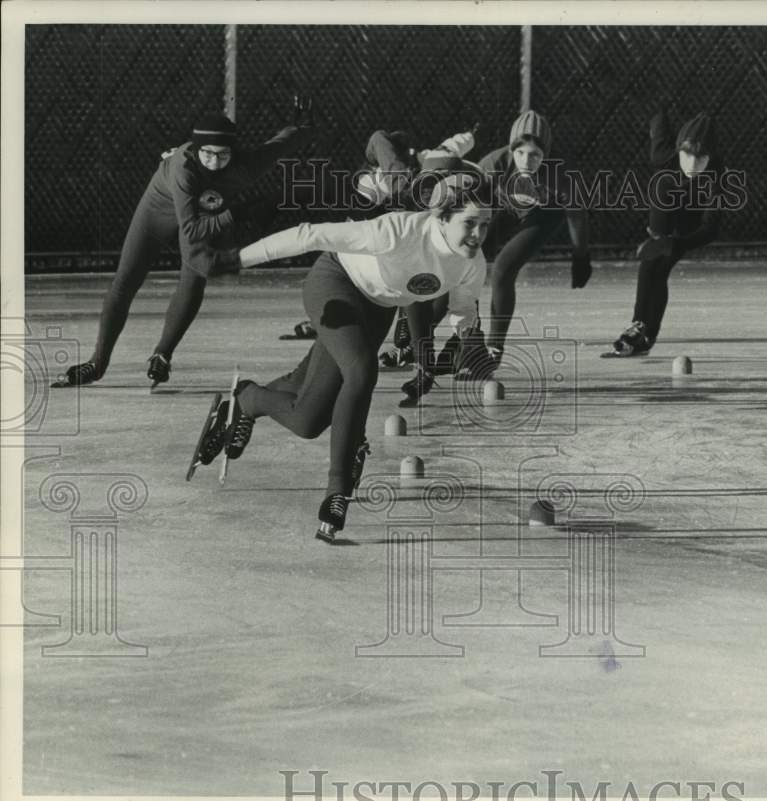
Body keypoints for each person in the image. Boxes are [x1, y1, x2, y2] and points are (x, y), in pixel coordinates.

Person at [194, 173, 492, 544]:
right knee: (362, 371)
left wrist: (469, 336)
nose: (478, 234)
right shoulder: (396, 231)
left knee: (308, 421)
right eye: (470, 223)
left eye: (485, 224)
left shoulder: (472, 262)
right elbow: (310, 234)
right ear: (442, 217)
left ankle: (247, 400)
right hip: (335, 284)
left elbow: (464, 303)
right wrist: (234, 259)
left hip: (376, 311)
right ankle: (338, 491)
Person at [55, 100, 317, 388]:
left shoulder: (245, 166)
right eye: (208, 154)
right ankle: (97, 363)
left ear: (234, 152)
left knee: (196, 275)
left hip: (206, 213)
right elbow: (191, 230)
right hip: (159, 210)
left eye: (223, 155)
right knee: (126, 280)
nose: (215, 163)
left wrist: (302, 126)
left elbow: (280, 144)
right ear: (196, 149)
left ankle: (162, 355)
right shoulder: (184, 168)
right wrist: (235, 214)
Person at [285, 124, 479, 360]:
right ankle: (341, 319)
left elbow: (455, 144)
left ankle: (422, 343)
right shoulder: (375, 181)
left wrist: (470, 135)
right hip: (388, 226)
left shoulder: (429, 160)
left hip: (422, 220)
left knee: (437, 278)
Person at [426, 109, 592, 378]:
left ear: (546, 155)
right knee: (462, 265)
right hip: (500, 211)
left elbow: (577, 215)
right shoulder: (494, 164)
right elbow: (467, 207)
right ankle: (448, 338)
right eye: (520, 153)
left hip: (542, 216)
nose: (527, 161)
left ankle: (493, 348)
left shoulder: (562, 174)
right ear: (511, 150)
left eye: (535, 155)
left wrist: (581, 255)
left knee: (504, 269)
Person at [609, 107, 723, 356]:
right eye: (687, 155)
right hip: (664, 202)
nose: (692, 164)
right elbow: (658, 119)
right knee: (652, 264)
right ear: (678, 149)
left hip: (689, 218)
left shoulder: (717, 177)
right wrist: (658, 113)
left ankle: (645, 332)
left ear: (710, 157)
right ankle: (639, 328)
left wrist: (675, 244)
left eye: (701, 158)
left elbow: (710, 229)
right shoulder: (663, 155)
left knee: (663, 263)